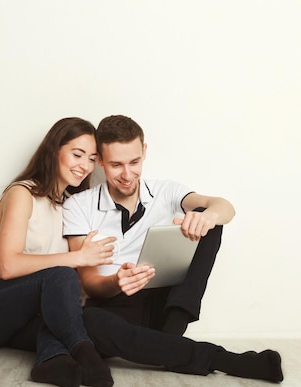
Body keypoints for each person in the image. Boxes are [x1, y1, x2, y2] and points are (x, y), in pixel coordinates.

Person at [0, 117, 117, 387]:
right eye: (77, 154)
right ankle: (85, 351)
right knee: (61, 275)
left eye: (91, 159)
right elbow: (8, 266)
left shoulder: (68, 208)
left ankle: (51, 361)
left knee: (60, 318)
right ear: (54, 150)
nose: (84, 166)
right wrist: (76, 258)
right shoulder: (22, 194)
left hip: (22, 320)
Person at [63, 114, 235, 336]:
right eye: (116, 165)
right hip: (114, 305)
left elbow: (225, 207)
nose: (127, 175)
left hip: (162, 304)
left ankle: (174, 328)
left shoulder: (165, 191)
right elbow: (89, 283)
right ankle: (172, 346)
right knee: (90, 320)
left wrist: (208, 217)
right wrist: (116, 281)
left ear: (144, 152)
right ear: (100, 161)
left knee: (207, 218)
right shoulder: (78, 205)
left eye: (134, 162)